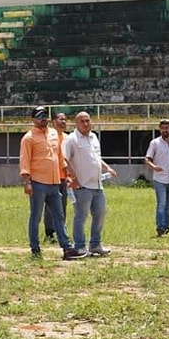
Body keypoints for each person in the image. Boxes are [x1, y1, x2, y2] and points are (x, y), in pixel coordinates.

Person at [19, 106, 87, 260]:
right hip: (37, 182)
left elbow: (60, 157)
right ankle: (35, 249)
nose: (43, 118)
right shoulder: (28, 138)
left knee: (59, 216)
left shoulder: (53, 134)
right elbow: (25, 160)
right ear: (33, 119)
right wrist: (27, 181)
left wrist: (67, 174)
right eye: (39, 116)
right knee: (35, 217)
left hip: (55, 181)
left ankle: (67, 248)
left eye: (45, 115)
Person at [64, 111, 117, 256]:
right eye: (82, 121)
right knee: (81, 216)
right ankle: (80, 246)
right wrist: (73, 178)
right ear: (76, 123)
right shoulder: (71, 139)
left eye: (88, 120)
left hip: (98, 185)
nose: (86, 124)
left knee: (100, 214)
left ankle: (95, 244)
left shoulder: (94, 137)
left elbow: (96, 157)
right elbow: (64, 159)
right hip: (82, 186)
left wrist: (107, 168)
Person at [144, 119, 169, 237]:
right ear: (160, 129)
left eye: (167, 128)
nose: (165, 130)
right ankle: (160, 227)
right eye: (162, 128)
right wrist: (154, 167)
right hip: (160, 179)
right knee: (161, 203)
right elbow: (147, 158)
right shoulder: (155, 143)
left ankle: (166, 227)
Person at [42, 112, 72, 244]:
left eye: (65, 119)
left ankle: (61, 231)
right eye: (61, 119)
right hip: (51, 176)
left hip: (64, 177)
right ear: (53, 121)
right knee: (50, 207)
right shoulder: (49, 136)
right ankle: (49, 232)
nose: (64, 122)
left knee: (63, 205)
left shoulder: (67, 138)